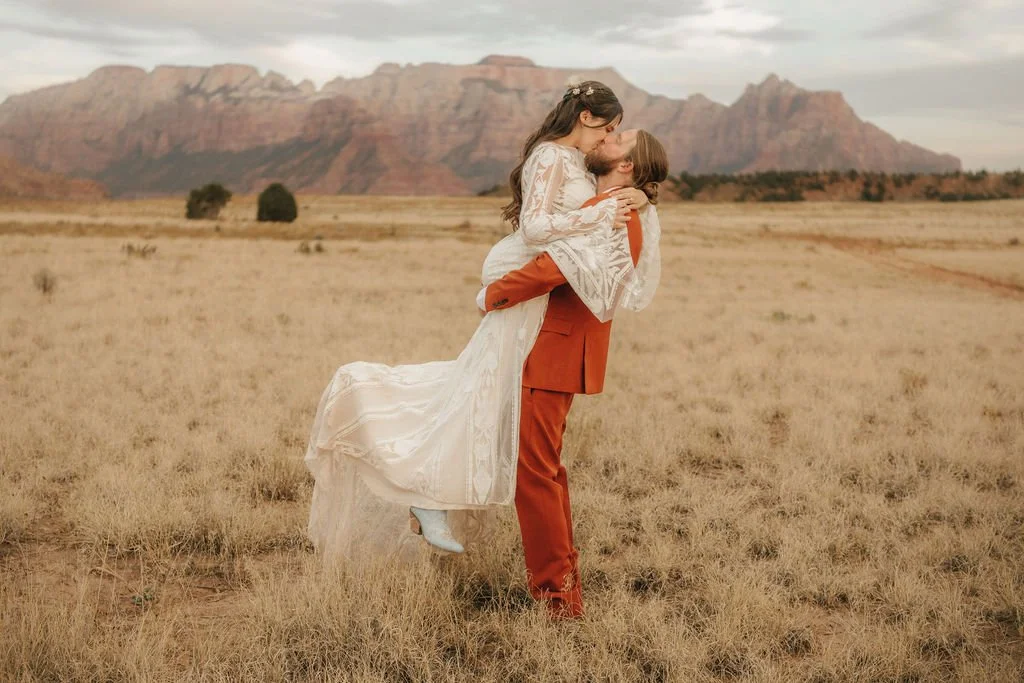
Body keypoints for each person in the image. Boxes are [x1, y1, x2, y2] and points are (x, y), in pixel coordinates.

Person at [303, 81, 661, 575]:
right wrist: (605, 207)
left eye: (620, 137)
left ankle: (432, 497)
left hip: (545, 323)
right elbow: (538, 232)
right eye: (612, 127)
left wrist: (634, 194)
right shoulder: (554, 159)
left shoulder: (593, 176)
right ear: (586, 116)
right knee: (491, 415)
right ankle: (441, 504)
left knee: (482, 407)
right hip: (529, 309)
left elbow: (588, 238)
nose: (611, 137)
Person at [478, 129, 669, 618]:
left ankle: (557, 599)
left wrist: (493, 293)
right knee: (545, 470)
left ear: (627, 165)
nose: (609, 137)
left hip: (555, 352)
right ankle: (563, 585)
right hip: (555, 350)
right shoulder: (611, 204)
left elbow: (553, 268)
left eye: (620, 137)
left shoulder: (619, 215)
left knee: (534, 474)